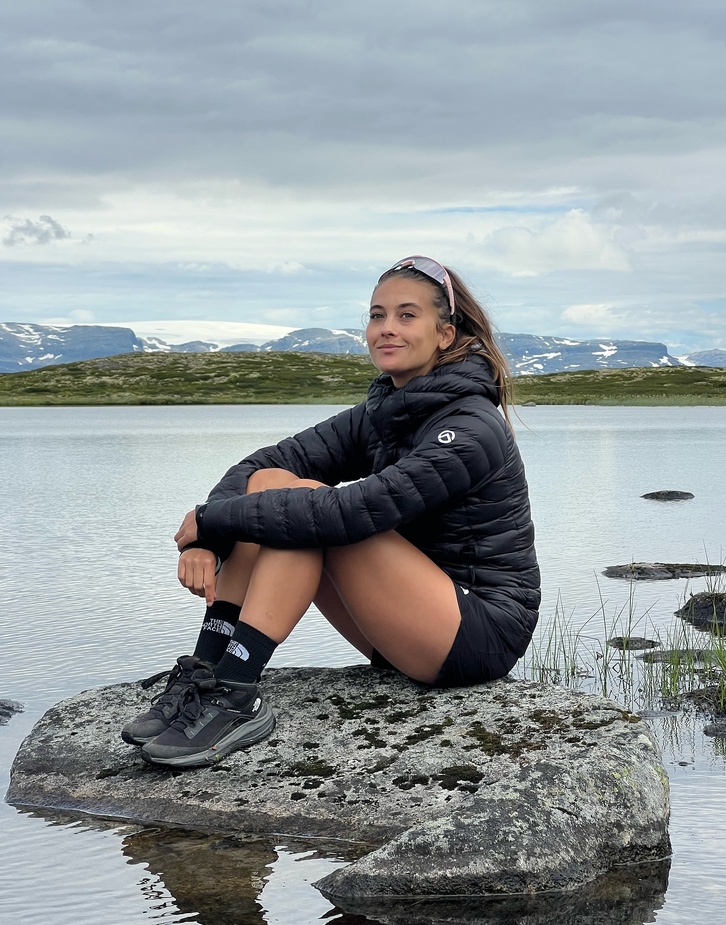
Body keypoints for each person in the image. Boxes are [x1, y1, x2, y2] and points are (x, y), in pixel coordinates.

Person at [121, 255, 541, 769]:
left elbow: (356, 510)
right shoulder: (384, 413)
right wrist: (209, 538)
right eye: (377, 315)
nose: (386, 328)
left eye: (407, 315)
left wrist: (212, 521)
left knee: (309, 512)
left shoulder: (472, 425)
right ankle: (207, 673)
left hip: (475, 634)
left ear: (445, 334)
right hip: (401, 624)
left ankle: (237, 690)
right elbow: (262, 465)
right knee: (273, 485)